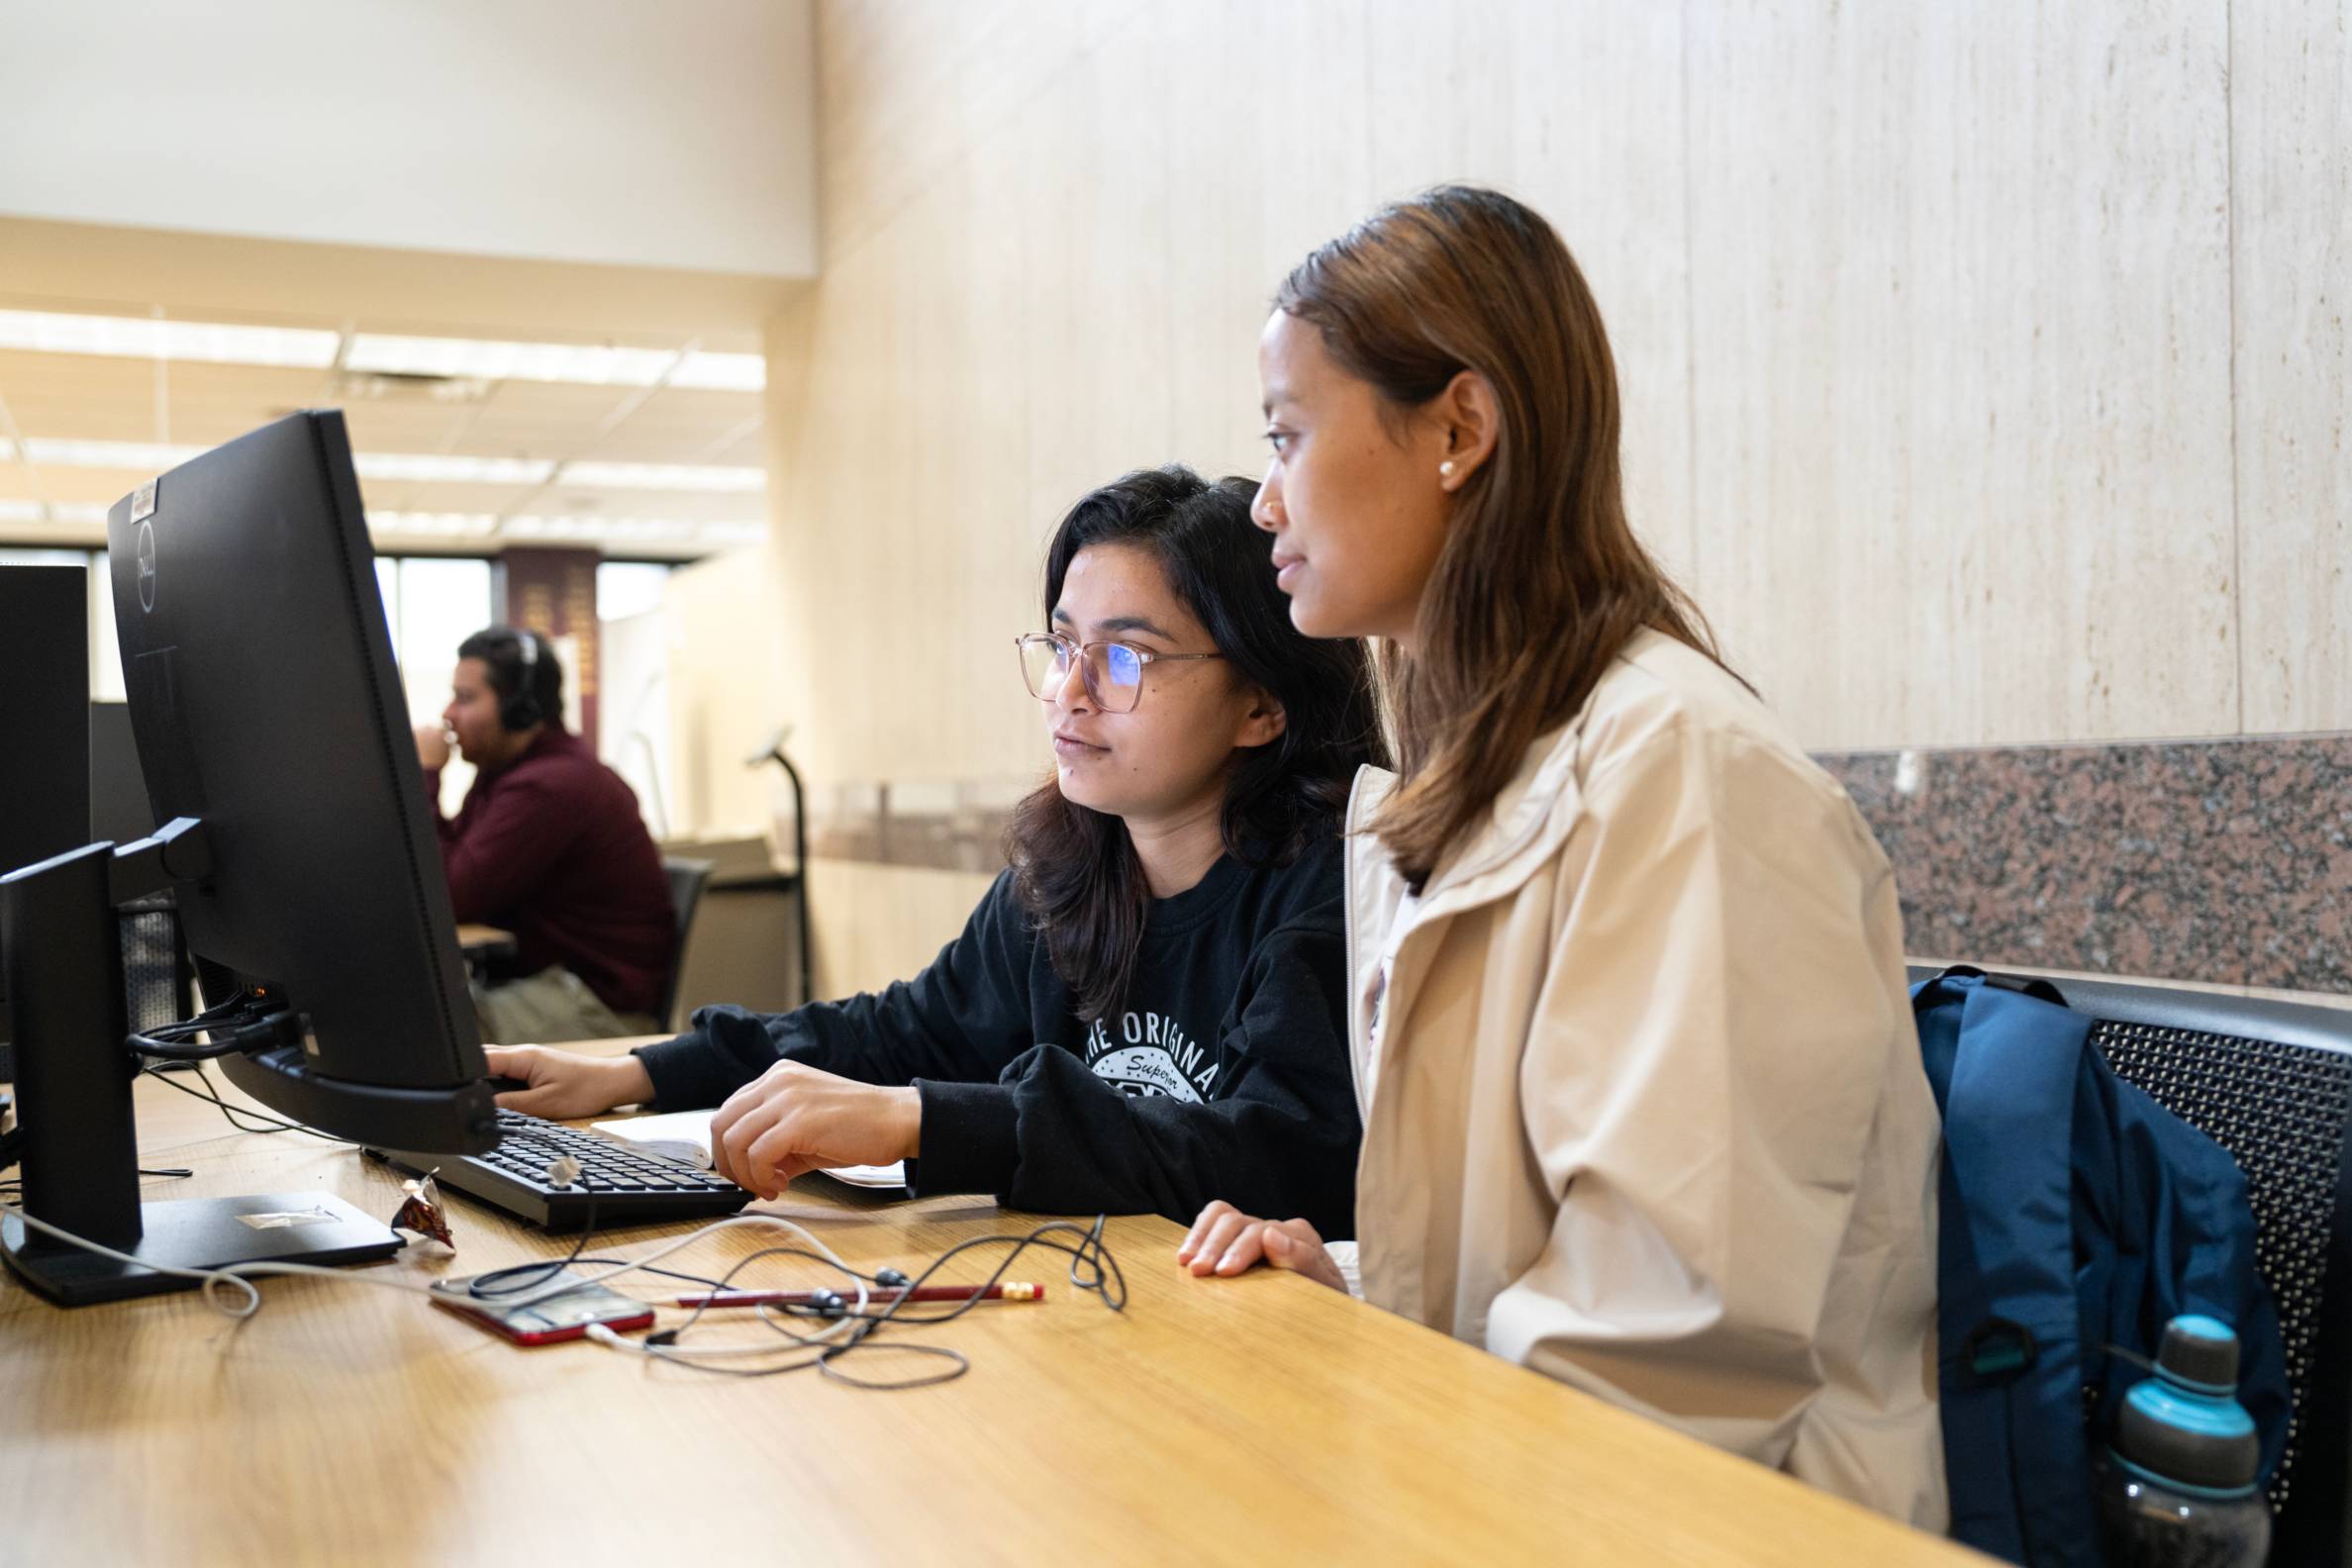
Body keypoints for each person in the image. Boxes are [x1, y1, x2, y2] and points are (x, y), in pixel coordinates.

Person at [1175, 186, 1947, 1527]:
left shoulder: (1690, 781)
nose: (1261, 502)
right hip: (1527, 1482)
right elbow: (1539, 1269)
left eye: (1290, 436)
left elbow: (1672, 1356)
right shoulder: (1475, 777)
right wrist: (1360, 1288)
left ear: (1459, 430)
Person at [485, 466, 1383, 1232]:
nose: (1067, 693)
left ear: (1264, 705)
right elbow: (901, 1031)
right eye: (1063, 645)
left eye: (1123, 660)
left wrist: (924, 1121)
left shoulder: (1334, 890)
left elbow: (1277, 1154)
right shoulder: (1063, 875)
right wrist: (633, 1072)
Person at [413, 627, 674, 1045]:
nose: (448, 713)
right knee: (416, 1005)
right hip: (549, 984)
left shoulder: (550, 786)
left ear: (520, 708)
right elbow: (451, 863)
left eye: (465, 698)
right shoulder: (508, 775)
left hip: (597, 1008)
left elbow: (450, 894)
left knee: (427, 1028)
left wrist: (423, 776)